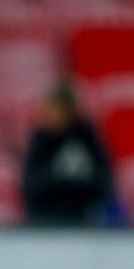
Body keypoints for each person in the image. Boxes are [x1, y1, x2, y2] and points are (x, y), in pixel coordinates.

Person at [22, 84, 118, 226]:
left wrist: (60, 181)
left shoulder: (88, 140)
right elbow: (30, 186)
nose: (56, 115)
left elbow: (104, 183)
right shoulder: (39, 142)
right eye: (52, 110)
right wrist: (67, 179)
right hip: (45, 220)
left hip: (85, 219)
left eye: (60, 110)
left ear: (71, 111)